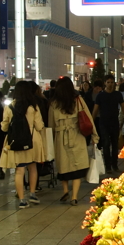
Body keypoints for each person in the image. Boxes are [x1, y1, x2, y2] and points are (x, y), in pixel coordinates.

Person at [49, 76, 98, 206]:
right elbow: (88, 119)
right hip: (77, 135)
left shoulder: (54, 104)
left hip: (60, 137)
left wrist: (50, 141)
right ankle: (74, 197)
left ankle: (65, 190)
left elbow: (51, 125)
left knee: (63, 166)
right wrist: (94, 135)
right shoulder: (78, 100)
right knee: (77, 167)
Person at [0, 81, 46, 207]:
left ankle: (21, 200)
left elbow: (4, 127)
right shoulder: (33, 107)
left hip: (17, 142)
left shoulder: (9, 107)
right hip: (32, 141)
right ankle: (32, 194)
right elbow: (39, 125)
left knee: (19, 171)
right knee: (32, 168)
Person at [93, 75, 124, 174]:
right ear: (105, 84)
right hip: (103, 123)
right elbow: (95, 110)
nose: (110, 84)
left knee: (115, 144)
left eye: (112, 82)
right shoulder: (100, 95)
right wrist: (92, 122)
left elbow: (123, 108)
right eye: (108, 82)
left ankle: (114, 165)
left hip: (115, 122)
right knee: (106, 144)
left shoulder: (118, 95)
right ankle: (108, 166)